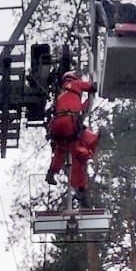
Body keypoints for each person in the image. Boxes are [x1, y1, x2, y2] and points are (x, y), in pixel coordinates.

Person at [44, 71, 100, 207]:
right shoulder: (76, 84)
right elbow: (91, 87)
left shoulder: (61, 95)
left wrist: (88, 101)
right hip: (69, 123)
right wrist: (94, 86)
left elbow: (78, 107)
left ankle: (51, 172)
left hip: (57, 125)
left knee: (61, 151)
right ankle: (81, 189)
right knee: (77, 154)